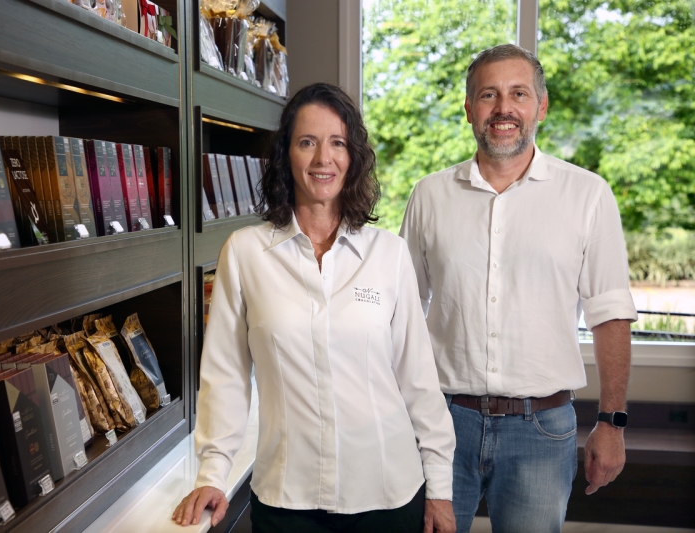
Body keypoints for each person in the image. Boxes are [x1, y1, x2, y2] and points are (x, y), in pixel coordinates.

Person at [173, 83, 456, 533]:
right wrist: (212, 474)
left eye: (337, 143)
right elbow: (224, 374)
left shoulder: (389, 253)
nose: (324, 158)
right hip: (288, 498)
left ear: (354, 157)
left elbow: (418, 380)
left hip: (388, 493)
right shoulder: (245, 252)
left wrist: (440, 488)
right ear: (286, 154)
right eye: (307, 142)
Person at [399, 44, 638, 533]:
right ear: (469, 109)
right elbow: (399, 314)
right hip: (441, 424)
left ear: (541, 107)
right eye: (488, 94)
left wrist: (612, 423)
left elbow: (609, 311)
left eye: (518, 93)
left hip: (542, 431)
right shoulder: (429, 195)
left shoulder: (588, 195)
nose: (503, 108)